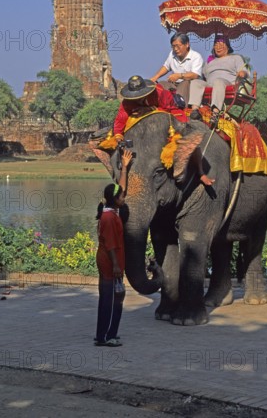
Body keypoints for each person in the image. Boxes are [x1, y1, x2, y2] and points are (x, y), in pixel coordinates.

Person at [94, 148, 132, 347]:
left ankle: (105, 334)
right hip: (110, 262)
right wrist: (116, 265)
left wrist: (124, 167)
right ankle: (106, 336)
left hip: (112, 261)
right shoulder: (109, 218)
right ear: (114, 200)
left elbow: (121, 189)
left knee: (113, 296)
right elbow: (110, 245)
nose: (124, 199)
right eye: (122, 198)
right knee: (112, 298)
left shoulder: (111, 210)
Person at [188, 34, 250, 126]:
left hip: (227, 83)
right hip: (210, 84)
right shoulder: (210, 62)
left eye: (221, 45)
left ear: (228, 47)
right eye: (216, 45)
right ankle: (194, 110)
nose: (218, 47)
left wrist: (242, 73)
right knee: (195, 82)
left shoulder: (235, 58)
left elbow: (244, 71)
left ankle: (215, 113)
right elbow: (203, 75)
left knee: (218, 81)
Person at [113, 75, 182, 141]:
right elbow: (121, 117)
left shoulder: (160, 93)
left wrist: (150, 109)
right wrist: (118, 134)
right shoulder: (127, 101)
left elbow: (168, 108)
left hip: (163, 114)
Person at [150, 32, 203, 106]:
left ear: (187, 44)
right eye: (173, 46)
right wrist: (155, 77)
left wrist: (179, 76)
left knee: (184, 84)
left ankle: (180, 108)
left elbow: (195, 75)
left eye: (178, 46)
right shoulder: (172, 54)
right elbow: (166, 66)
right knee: (161, 84)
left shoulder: (196, 56)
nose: (175, 49)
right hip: (173, 84)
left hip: (188, 85)